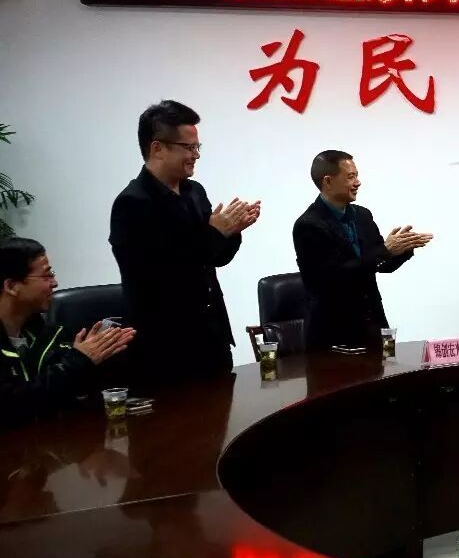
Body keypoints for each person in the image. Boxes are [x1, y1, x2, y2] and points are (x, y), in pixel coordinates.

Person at [109, 100, 260, 385]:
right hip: (164, 345)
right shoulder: (133, 204)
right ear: (157, 148)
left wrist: (232, 230)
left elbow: (215, 257)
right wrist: (215, 232)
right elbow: (159, 272)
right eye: (188, 147)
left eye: (197, 147)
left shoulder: (194, 192)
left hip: (211, 337)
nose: (196, 155)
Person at [293, 150, 432, 351]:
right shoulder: (309, 225)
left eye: (357, 176)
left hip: (372, 323)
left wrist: (403, 248)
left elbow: (380, 265)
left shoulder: (362, 215)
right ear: (328, 181)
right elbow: (334, 276)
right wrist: (385, 250)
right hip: (334, 332)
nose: (358, 182)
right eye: (350, 177)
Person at [0, 237, 134, 428]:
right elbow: (13, 403)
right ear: (12, 286)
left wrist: (101, 355)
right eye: (46, 276)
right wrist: (77, 362)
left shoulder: (45, 333)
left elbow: (68, 390)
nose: (55, 283)